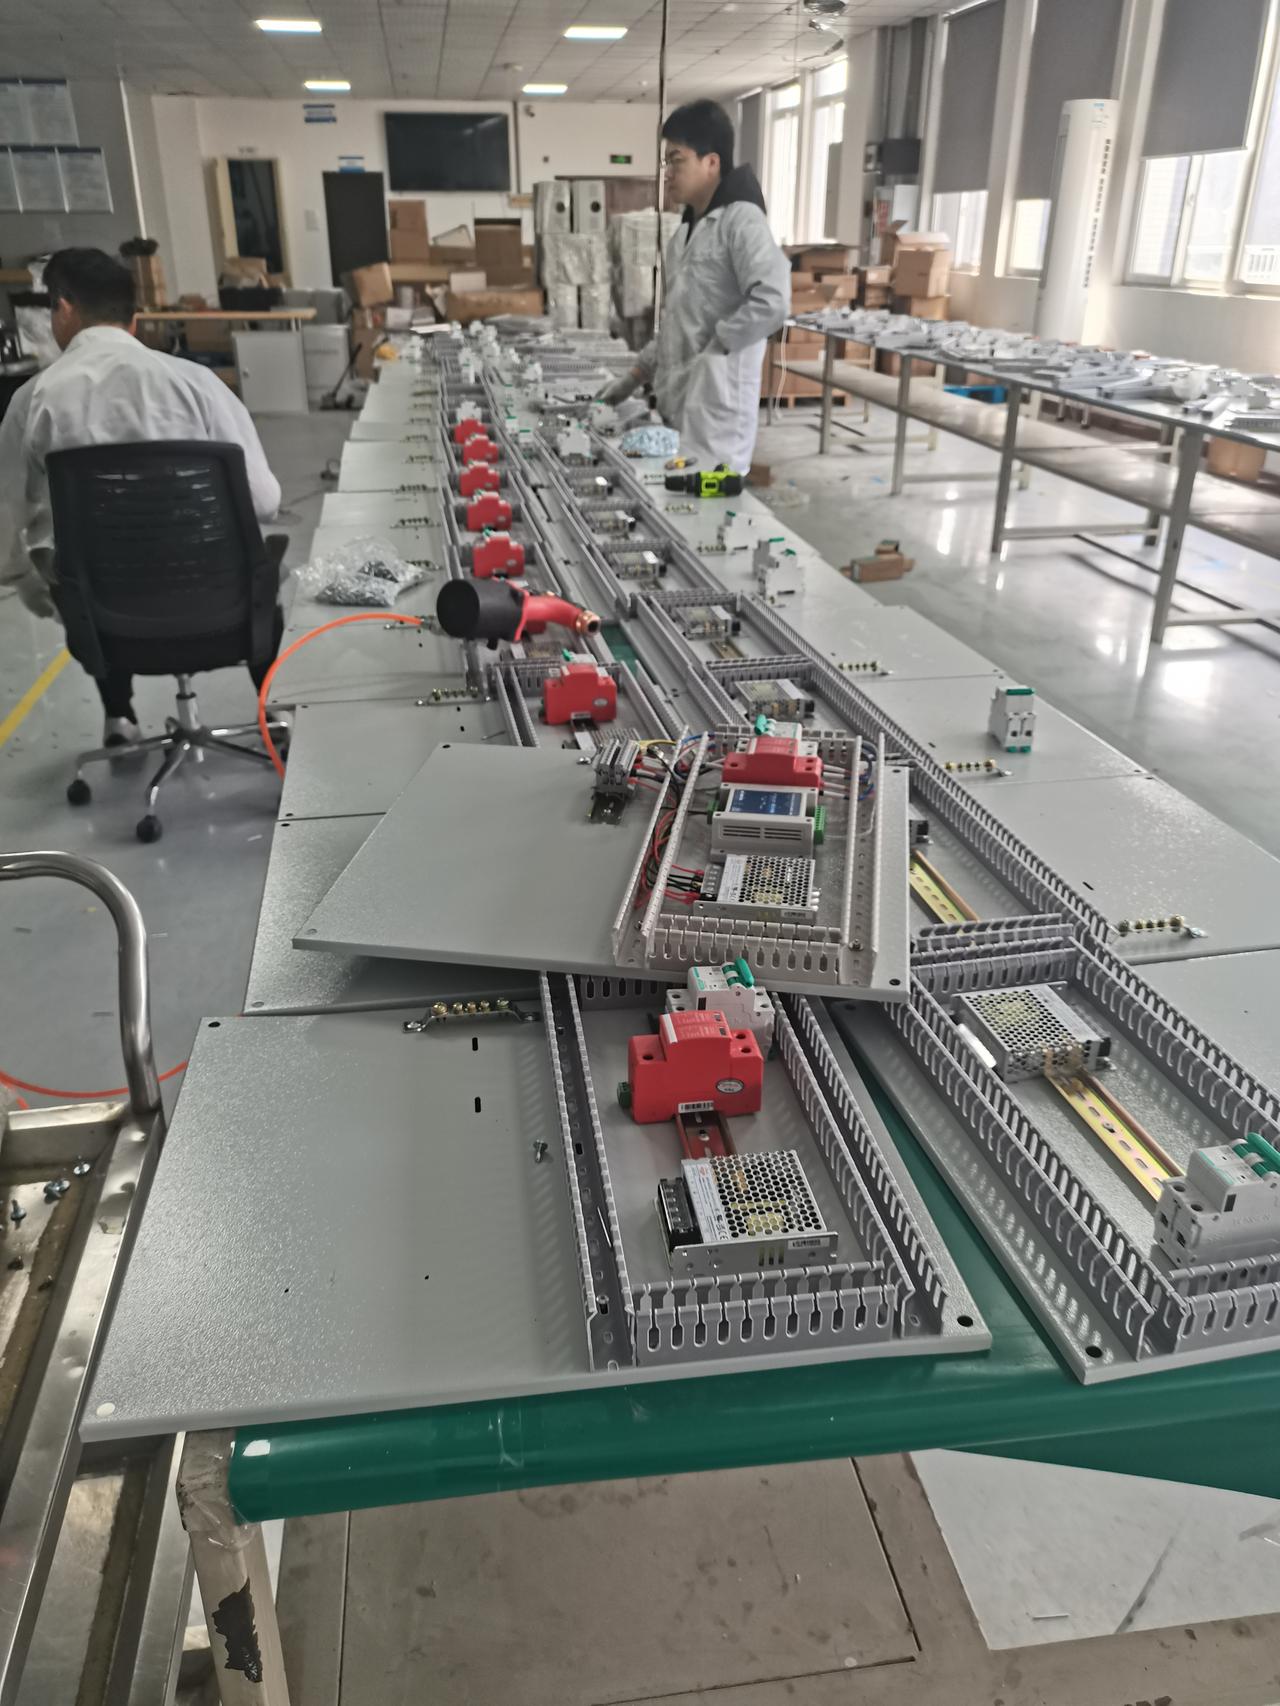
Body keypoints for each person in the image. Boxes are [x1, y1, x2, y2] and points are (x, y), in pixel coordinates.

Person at [0, 247, 284, 743]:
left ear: (62, 308)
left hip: (110, 630)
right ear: (133, 319)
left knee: (83, 570)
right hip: (225, 614)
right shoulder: (198, 383)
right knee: (258, 571)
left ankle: (120, 718)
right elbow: (265, 501)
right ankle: (271, 714)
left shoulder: (33, 401)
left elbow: (4, 525)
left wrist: (32, 586)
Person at [600, 99, 790, 477]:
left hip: (716, 410)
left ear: (711, 162)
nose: (668, 174)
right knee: (676, 500)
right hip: (677, 404)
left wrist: (718, 348)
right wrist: (634, 376)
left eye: (677, 160)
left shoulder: (742, 221)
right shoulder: (684, 234)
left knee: (709, 505)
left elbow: (774, 300)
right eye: (665, 163)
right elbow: (677, 323)